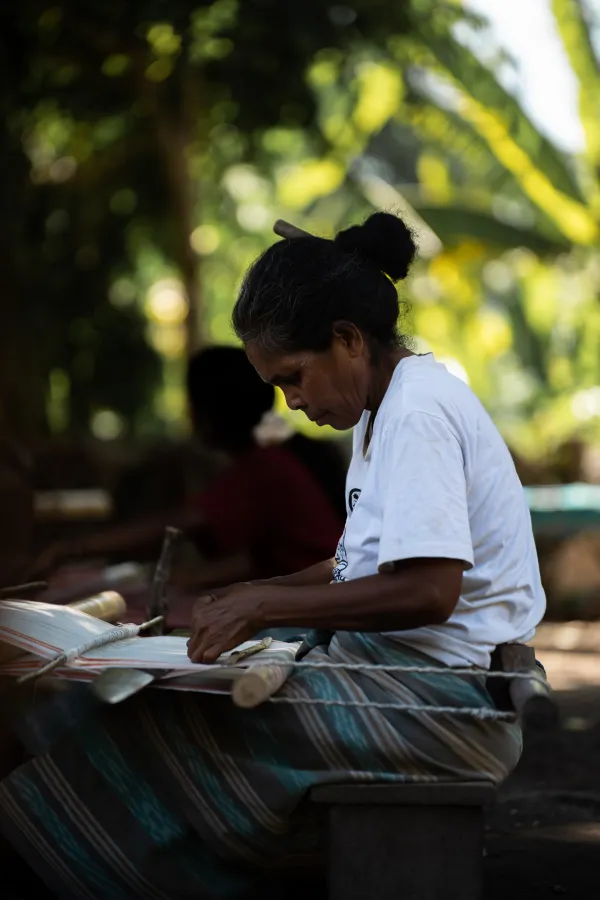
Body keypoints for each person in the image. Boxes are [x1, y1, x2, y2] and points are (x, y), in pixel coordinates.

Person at [0, 213, 545, 899]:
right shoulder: (390, 408)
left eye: (293, 377)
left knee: (144, 721)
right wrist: (256, 595)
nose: (290, 402)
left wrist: (268, 602)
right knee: (143, 699)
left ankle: (91, 853)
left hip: (441, 712)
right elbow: (358, 567)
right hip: (426, 689)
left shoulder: (417, 415)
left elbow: (430, 591)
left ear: (348, 340)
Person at [31, 346, 345, 589]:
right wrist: (190, 580)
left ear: (208, 414)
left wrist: (69, 549)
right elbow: (268, 559)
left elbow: (180, 523)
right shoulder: (275, 458)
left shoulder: (263, 468)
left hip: (320, 608)